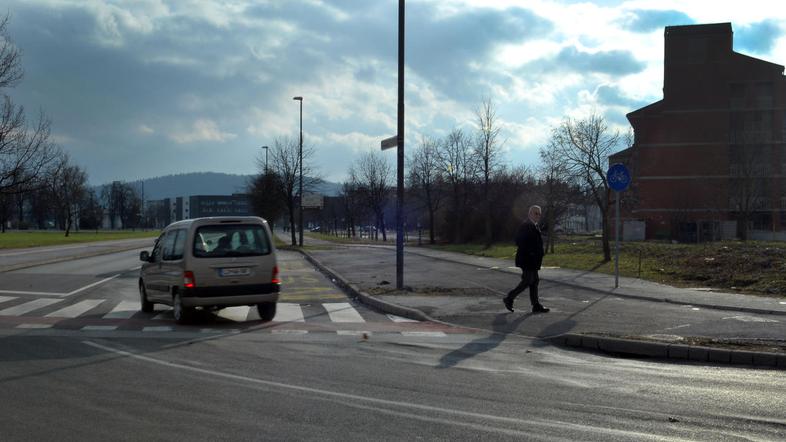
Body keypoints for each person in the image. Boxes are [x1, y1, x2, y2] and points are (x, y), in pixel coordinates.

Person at [503, 205, 550, 314]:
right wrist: (531, 252)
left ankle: (536, 305)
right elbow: (519, 241)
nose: (538, 215)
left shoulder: (534, 225)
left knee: (534, 281)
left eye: (539, 213)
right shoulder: (526, 225)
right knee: (528, 280)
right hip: (527, 259)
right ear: (530, 214)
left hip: (533, 260)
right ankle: (509, 298)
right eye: (535, 213)